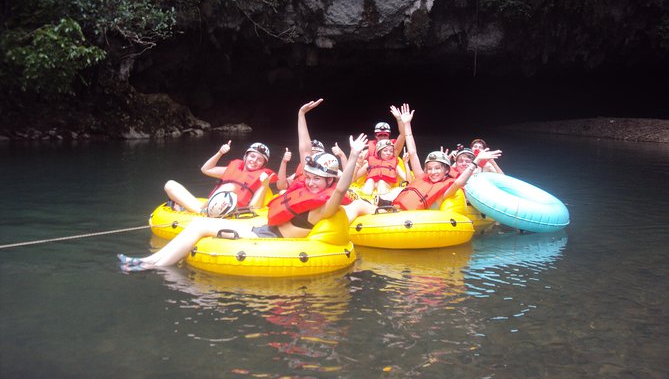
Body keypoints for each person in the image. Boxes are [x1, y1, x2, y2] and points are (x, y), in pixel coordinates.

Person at [118, 133, 369, 271]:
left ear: (329, 182)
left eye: (319, 180)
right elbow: (305, 151)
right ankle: (151, 261)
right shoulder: (304, 187)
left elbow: (342, 188)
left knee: (201, 227)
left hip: (273, 240)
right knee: (197, 225)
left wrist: (354, 154)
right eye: (310, 177)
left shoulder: (325, 207)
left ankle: (150, 266)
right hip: (264, 229)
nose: (313, 183)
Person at [374, 105, 502, 211]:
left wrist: (477, 160)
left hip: (409, 216)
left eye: (437, 168)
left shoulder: (447, 188)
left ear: (446, 170)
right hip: (395, 209)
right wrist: (406, 124)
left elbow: (459, 182)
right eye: (430, 168)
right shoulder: (422, 177)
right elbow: (412, 152)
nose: (433, 172)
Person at [164, 141, 276, 217]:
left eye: (259, 159)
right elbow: (205, 169)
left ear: (263, 165)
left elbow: (254, 207)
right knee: (170, 184)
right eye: (252, 156)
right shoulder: (232, 169)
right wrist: (220, 153)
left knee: (230, 187)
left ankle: (198, 210)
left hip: (232, 212)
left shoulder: (261, 179)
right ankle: (201, 211)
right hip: (211, 206)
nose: (254, 161)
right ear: (245, 157)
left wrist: (264, 185)